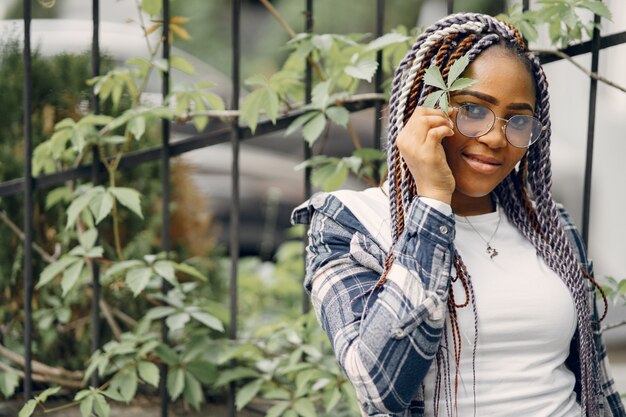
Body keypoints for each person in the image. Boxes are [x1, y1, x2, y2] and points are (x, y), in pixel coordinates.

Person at [291, 12, 625, 417]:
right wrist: (433, 200)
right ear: (424, 110)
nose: (497, 138)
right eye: (473, 110)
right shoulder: (351, 223)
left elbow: (598, 383)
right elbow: (381, 386)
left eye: (518, 120)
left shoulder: (550, 226)